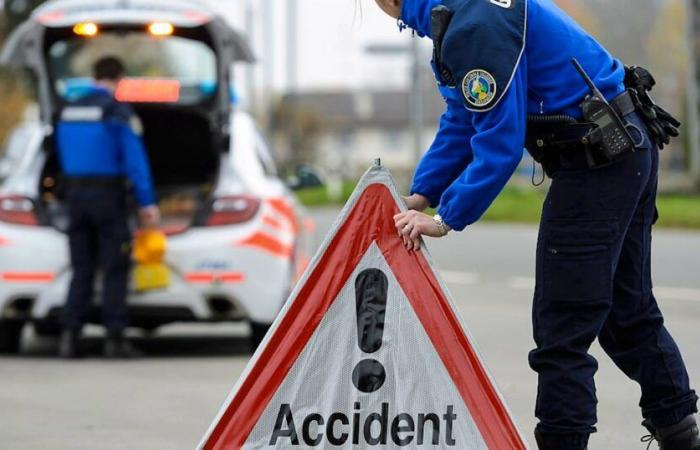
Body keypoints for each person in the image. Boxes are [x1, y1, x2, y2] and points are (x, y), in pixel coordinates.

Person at [368, 0, 700, 448]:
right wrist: (422, 194)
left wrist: (446, 218)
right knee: (627, 313)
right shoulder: (464, 14)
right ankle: (681, 433)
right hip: (626, 146)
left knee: (562, 330)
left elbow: (499, 145)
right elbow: (464, 120)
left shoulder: (472, 27)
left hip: (599, 159)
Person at [56, 56, 160, 359]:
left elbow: (59, 154)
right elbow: (134, 161)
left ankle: (69, 337)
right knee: (115, 266)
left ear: (94, 76)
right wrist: (147, 202)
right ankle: (115, 339)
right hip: (108, 197)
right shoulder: (116, 112)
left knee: (82, 268)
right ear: (120, 79)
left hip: (74, 197)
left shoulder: (68, 110)